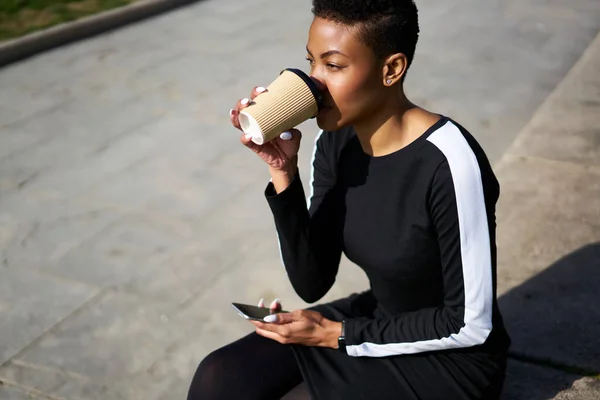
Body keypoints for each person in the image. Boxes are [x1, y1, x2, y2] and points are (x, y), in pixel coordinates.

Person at [188, 0, 511, 398]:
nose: (314, 83)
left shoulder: (451, 162)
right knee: (220, 376)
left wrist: (337, 334)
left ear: (391, 69)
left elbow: (469, 324)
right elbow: (312, 282)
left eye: (334, 66)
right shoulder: (336, 141)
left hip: (451, 358)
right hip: (376, 317)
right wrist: (282, 172)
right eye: (311, 63)